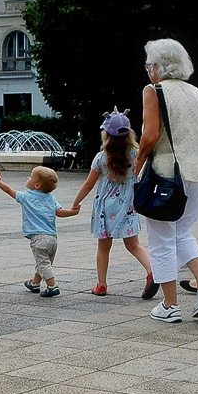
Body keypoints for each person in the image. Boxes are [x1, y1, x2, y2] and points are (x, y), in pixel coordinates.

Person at [135, 38, 198, 324]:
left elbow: (150, 136)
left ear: (158, 66)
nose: (148, 70)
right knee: (182, 234)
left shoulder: (154, 91)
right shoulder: (196, 93)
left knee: (162, 240)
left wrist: (136, 166)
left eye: (149, 65)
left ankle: (170, 305)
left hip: (166, 175)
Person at [71, 109, 158, 299]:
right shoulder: (136, 155)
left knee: (103, 248)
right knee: (134, 245)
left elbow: (88, 184)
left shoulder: (101, 158)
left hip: (104, 208)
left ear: (106, 135)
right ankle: (153, 271)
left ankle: (101, 285)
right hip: (128, 206)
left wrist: (76, 203)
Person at [0, 166, 78, 297]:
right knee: (43, 262)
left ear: (37, 185)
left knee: (43, 264)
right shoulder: (51, 198)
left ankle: (52, 286)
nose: (28, 178)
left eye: (30, 177)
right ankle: (34, 283)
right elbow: (59, 212)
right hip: (53, 238)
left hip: (38, 238)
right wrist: (72, 212)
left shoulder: (26, 196)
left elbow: (8, 190)